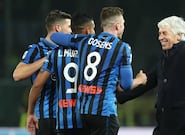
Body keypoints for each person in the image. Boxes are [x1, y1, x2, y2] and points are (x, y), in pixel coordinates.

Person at [50, 6, 147, 135]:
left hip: (84, 112)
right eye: (123, 24)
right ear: (117, 26)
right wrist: (140, 80)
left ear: (102, 25)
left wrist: (75, 36)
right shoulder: (122, 48)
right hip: (104, 112)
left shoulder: (85, 41)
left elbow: (55, 36)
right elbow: (126, 85)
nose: (124, 27)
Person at [117, 16, 185, 135]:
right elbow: (147, 82)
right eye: (159, 33)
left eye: (164, 33)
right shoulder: (164, 59)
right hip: (164, 126)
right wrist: (118, 96)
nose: (160, 37)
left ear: (179, 35)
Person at [26, 13, 95, 135]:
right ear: (86, 30)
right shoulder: (90, 53)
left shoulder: (56, 53)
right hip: (85, 117)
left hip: (63, 120)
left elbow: (37, 85)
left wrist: (30, 112)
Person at [13, 9, 72, 135]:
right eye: (69, 27)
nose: (71, 31)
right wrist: (46, 59)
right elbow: (17, 75)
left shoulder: (69, 51)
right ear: (58, 28)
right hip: (45, 118)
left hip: (67, 118)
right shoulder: (37, 50)